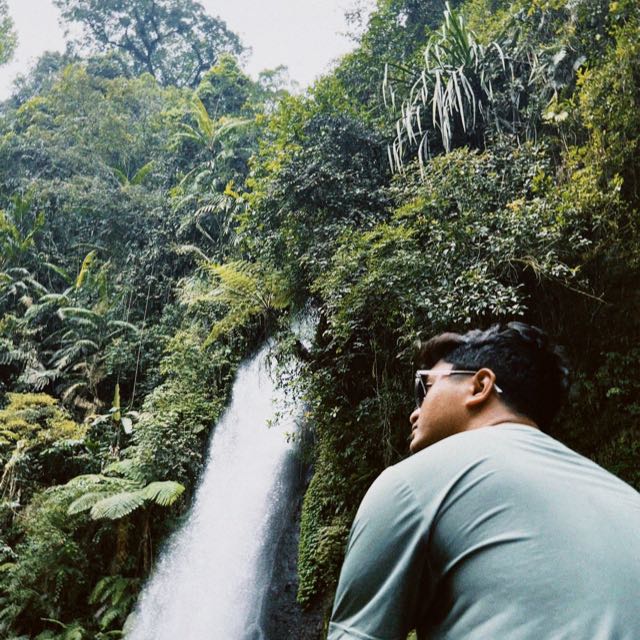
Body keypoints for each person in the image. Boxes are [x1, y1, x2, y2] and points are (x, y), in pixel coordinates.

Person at [327, 322, 640, 639]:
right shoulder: (628, 499)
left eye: (425, 388)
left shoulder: (416, 481)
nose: (414, 413)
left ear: (479, 386)